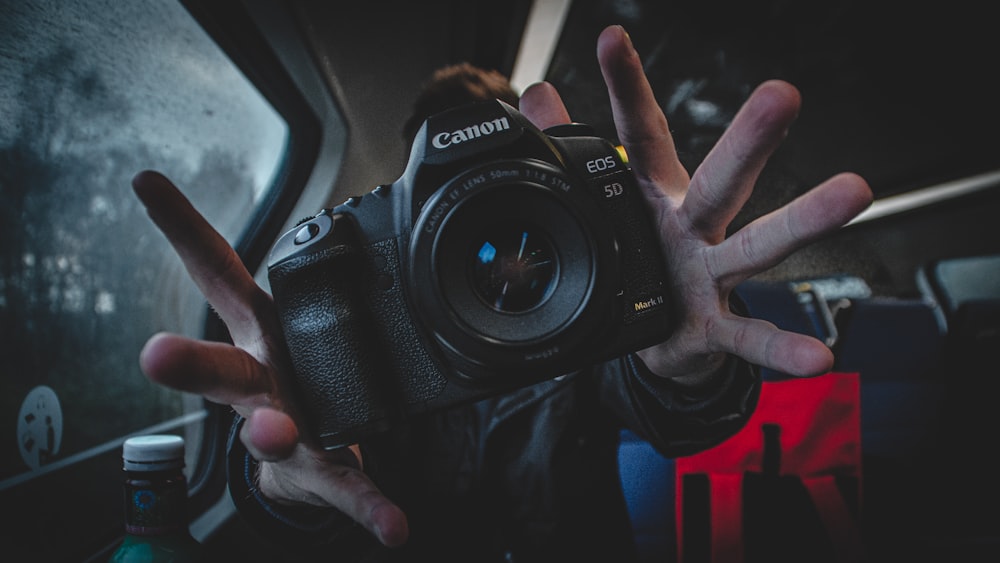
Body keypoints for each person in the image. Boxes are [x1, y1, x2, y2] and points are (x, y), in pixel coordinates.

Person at [131, 25, 873, 561]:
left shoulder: (589, 254)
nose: (496, 253)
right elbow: (316, 463)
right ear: (402, 191)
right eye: (443, 187)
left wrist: (690, 357)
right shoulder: (364, 280)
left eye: (501, 168)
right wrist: (276, 481)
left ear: (536, 165)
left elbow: (659, 391)